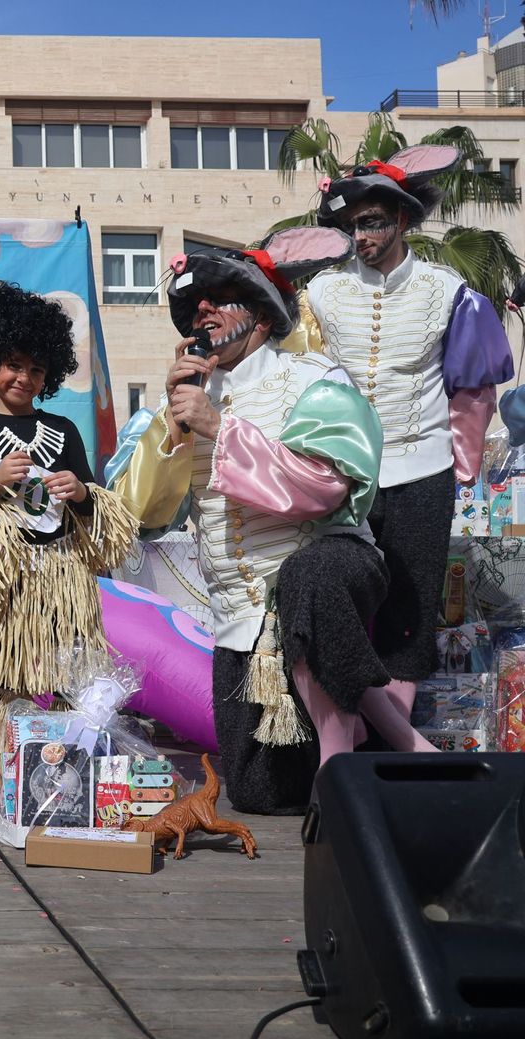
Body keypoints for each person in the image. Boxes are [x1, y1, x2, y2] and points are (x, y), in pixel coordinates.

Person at [112, 227, 419, 816]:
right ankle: (368, 729)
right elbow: (138, 516)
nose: (201, 311)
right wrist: (173, 433)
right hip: (243, 625)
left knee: (310, 576)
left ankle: (342, 764)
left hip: (333, 572)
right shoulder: (183, 405)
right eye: (192, 306)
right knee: (259, 793)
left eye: (218, 299)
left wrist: (219, 428)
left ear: (259, 314)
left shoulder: (315, 380)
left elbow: (325, 488)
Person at [299, 145, 515, 734]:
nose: (360, 236)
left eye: (371, 222)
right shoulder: (319, 293)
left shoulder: (448, 290)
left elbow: (472, 389)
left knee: (410, 611)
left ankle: (390, 743)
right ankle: (346, 734)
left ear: (401, 219)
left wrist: (463, 467)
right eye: (352, 225)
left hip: (423, 471)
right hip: (343, 476)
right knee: (340, 599)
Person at [0, 281, 137, 792]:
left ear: (50, 375)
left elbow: (94, 508)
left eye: (36, 369)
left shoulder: (63, 431)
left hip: (61, 576)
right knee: (11, 677)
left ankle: (66, 778)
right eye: (13, 365)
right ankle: (4, 776)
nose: (23, 377)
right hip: (8, 581)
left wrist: (80, 491)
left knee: (66, 674)